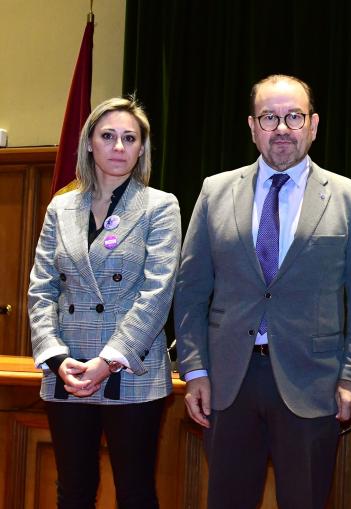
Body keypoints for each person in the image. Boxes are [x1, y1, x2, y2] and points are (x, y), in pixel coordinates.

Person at [174, 74, 351, 508]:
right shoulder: (215, 191)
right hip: (228, 382)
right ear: (252, 127)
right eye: (270, 117)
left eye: (293, 116)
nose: (282, 128)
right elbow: (190, 289)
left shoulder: (350, 198)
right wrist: (193, 371)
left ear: (314, 125)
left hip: (314, 383)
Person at [28, 97, 181, 508]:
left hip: (131, 370)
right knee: (72, 491)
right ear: (90, 143)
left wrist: (109, 359)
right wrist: (57, 358)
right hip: (69, 371)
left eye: (129, 138)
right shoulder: (61, 207)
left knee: (135, 493)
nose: (118, 146)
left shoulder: (160, 206)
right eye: (108, 136)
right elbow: (41, 287)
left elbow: (157, 293)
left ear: (141, 149)